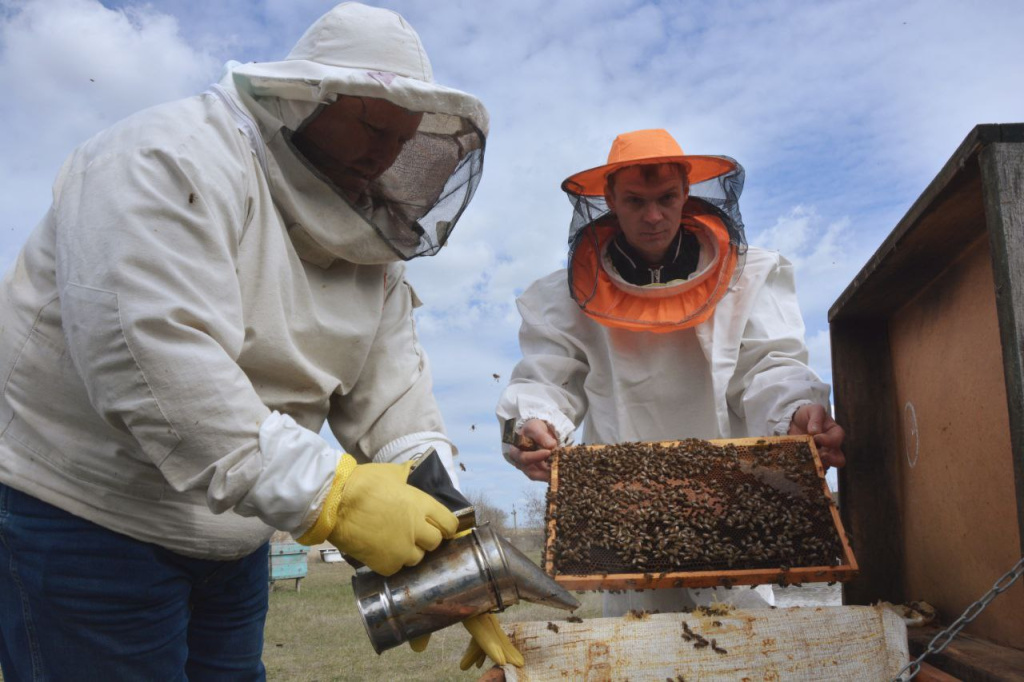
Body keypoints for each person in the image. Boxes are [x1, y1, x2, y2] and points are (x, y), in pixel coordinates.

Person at [0, 3, 521, 679]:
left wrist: (451, 548)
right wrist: (332, 495)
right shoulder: (166, 157)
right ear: (303, 98)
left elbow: (394, 398)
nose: (385, 154)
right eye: (371, 125)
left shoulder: (371, 242)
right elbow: (151, 360)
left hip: (235, 538)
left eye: (401, 139)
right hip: (86, 516)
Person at [496, 128, 846, 615]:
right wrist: (534, 421)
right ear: (610, 201)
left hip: (733, 512)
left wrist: (794, 411)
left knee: (744, 643)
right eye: (635, 201)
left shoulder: (746, 278)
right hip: (623, 520)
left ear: (686, 192)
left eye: (666, 198)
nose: (653, 215)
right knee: (639, 647)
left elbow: (769, 364)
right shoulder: (565, 297)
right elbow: (547, 378)